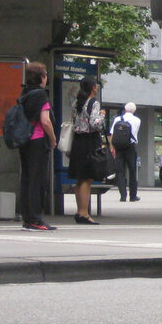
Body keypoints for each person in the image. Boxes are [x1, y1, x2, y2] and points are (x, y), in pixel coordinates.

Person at [18, 61, 56, 231]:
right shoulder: (40, 94)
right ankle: (35, 218)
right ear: (41, 77)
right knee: (38, 180)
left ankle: (28, 217)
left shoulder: (25, 92)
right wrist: (53, 139)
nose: (46, 78)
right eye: (46, 74)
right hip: (38, 141)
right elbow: (45, 121)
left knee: (27, 179)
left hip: (25, 141)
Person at [66, 75, 106, 224]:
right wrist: (102, 116)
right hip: (89, 142)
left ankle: (80, 210)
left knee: (80, 178)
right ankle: (84, 213)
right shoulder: (94, 103)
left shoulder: (77, 103)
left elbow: (73, 120)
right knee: (87, 179)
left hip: (78, 142)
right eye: (95, 85)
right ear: (93, 88)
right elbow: (95, 124)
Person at [109, 101, 142, 202]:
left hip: (119, 148)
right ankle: (133, 196)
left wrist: (112, 147)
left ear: (125, 109)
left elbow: (112, 134)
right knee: (132, 171)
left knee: (120, 172)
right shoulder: (137, 120)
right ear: (134, 110)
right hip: (130, 147)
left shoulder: (117, 119)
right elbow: (135, 133)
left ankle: (123, 195)